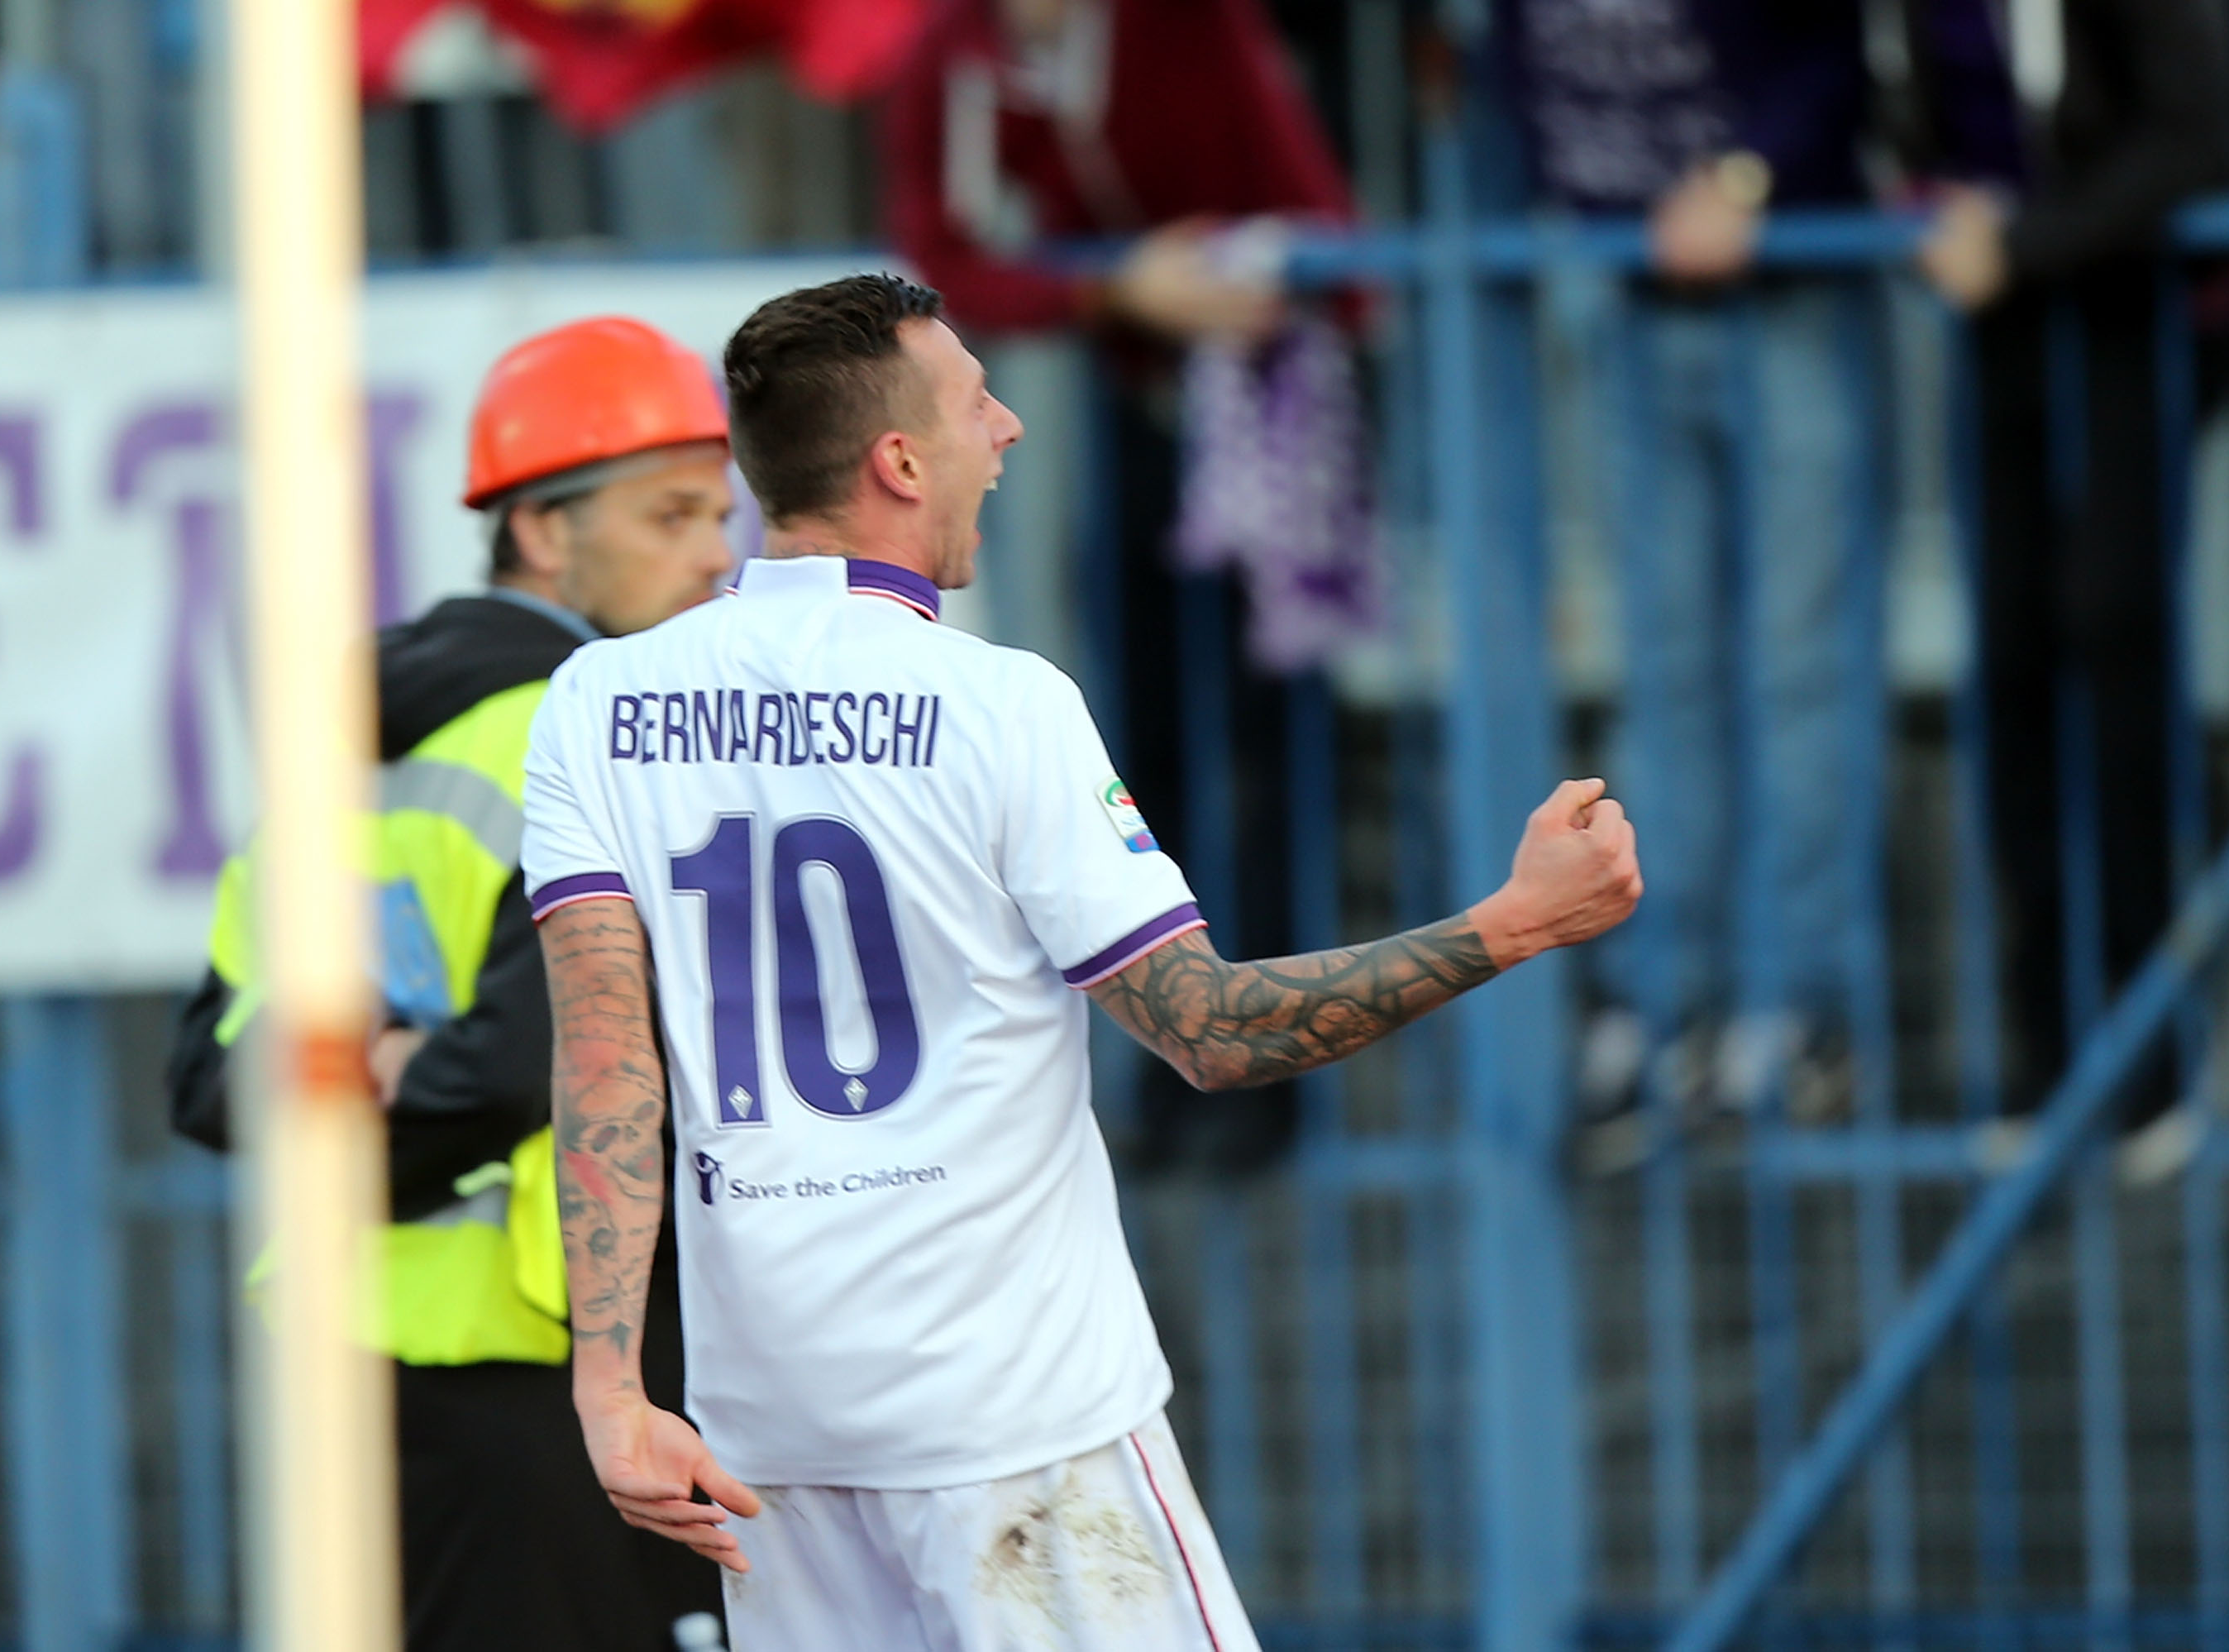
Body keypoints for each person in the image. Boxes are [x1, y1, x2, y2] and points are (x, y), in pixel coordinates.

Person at [517, 273, 1642, 1649]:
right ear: (899, 460)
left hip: (775, 1435)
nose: (1010, 425)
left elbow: (604, 1063)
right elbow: (1213, 1030)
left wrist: (612, 1389)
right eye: (976, 399)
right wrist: (1514, 922)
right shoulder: (1001, 704)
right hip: (1014, 1419)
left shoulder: (597, 701)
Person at [165, 316, 739, 1650]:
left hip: (343, 1352)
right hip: (551, 1356)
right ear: (544, 531)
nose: (718, 554)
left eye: (719, 514)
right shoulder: (583, 732)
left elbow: (207, 1073)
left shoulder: (347, 749)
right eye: (672, 514)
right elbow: (536, 1059)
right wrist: (436, 1076)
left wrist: (354, 1086)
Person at [1495, 0, 2020, 1123]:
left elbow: (1848, 62)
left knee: (1799, 665)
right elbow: (1514, 69)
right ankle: (1663, 995)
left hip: (1795, 284)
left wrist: (1742, 182)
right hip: (1628, 290)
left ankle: (1803, 1004)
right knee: (1664, 671)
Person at [883, 0, 1364, 1173]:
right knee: (1137, 750)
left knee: (1264, 745)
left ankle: (1269, 1072)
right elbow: (944, 263)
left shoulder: (1188, 27)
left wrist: (1245, 281)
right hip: (1133, 409)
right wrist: (1116, 295)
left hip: (1265, 404)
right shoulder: (954, 54)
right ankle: (1171, 1063)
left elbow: (1323, 226)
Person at [1916, 0, 2229, 1121]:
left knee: (2115, 642)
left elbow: (2200, 134)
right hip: (2001, 339)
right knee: (2012, 665)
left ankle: (2155, 1037)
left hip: (2121, 317)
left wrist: (2023, 243)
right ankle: (2048, 1044)